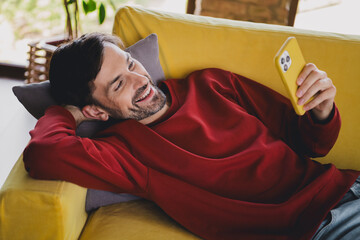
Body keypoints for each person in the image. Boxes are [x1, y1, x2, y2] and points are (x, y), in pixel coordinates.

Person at [23, 32, 360, 240]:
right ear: (97, 111)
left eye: (130, 64)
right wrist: (67, 112)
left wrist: (322, 110)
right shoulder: (128, 153)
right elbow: (43, 153)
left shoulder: (212, 83)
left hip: (348, 187)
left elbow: (311, 144)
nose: (138, 80)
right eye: (118, 84)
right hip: (317, 228)